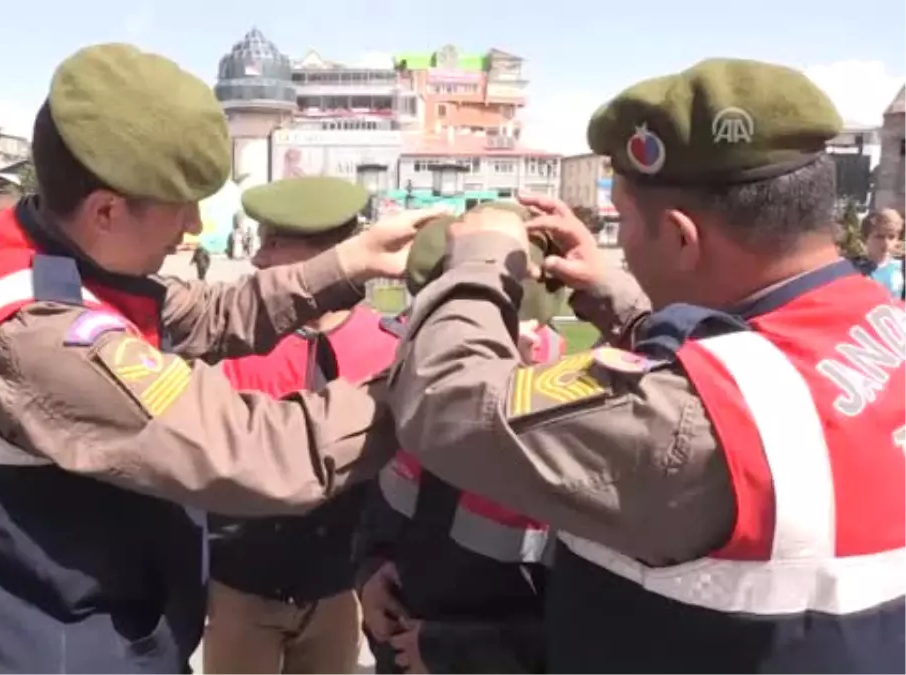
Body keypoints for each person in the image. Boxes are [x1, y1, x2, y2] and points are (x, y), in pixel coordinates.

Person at [0, 43, 440, 675]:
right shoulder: (41, 334)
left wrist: (348, 263)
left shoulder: (42, 253)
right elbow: (261, 453)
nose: (192, 227)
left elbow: (204, 313)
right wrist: (434, 382)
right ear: (106, 209)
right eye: (180, 204)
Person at [386, 57, 906, 675]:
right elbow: (765, 374)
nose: (622, 245)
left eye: (626, 221)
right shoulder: (880, 318)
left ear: (685, 238)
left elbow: (447, 404)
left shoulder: (697, 423)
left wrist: (481, 254)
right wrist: (627, 305)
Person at [357, 209, 564, 675]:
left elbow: (589, 626)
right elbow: (377, 516)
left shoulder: (574, 429)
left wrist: (449, 651)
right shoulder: (411, 395)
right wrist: (369, 574)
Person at [202, 176, 389, 675]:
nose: (258, 259)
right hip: (242, 585)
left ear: (330, 254)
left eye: (276, 243)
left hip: (338, 589)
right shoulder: (234, 343)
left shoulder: (391, 346)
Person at [851, 208, 904, 297]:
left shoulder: (901, 268)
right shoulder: (853, 270)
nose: (886, 243)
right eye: (879, 237)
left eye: (891, 237)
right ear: (865, 238)